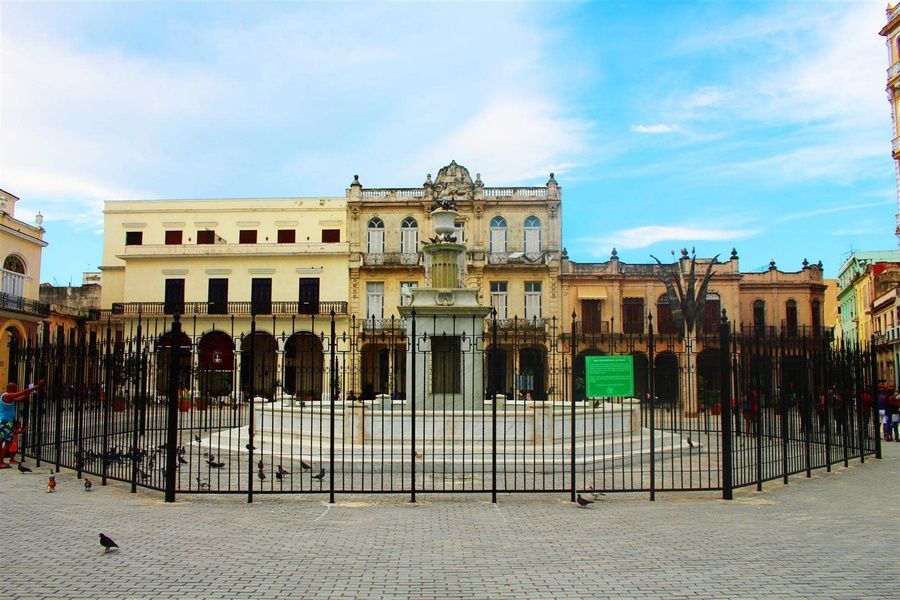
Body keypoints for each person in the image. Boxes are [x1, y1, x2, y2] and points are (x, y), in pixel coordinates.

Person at [0, 381, 43, 468]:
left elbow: (21, 397)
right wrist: (36, 386)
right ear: (12, 389)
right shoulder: (6, 395)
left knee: (2, 441)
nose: (17, 390)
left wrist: (30, 392)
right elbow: (21, 393)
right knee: (8, 441)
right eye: (15, 389)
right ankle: (0, 461)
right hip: (6, 422)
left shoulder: (8, 397)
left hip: (4, 421)